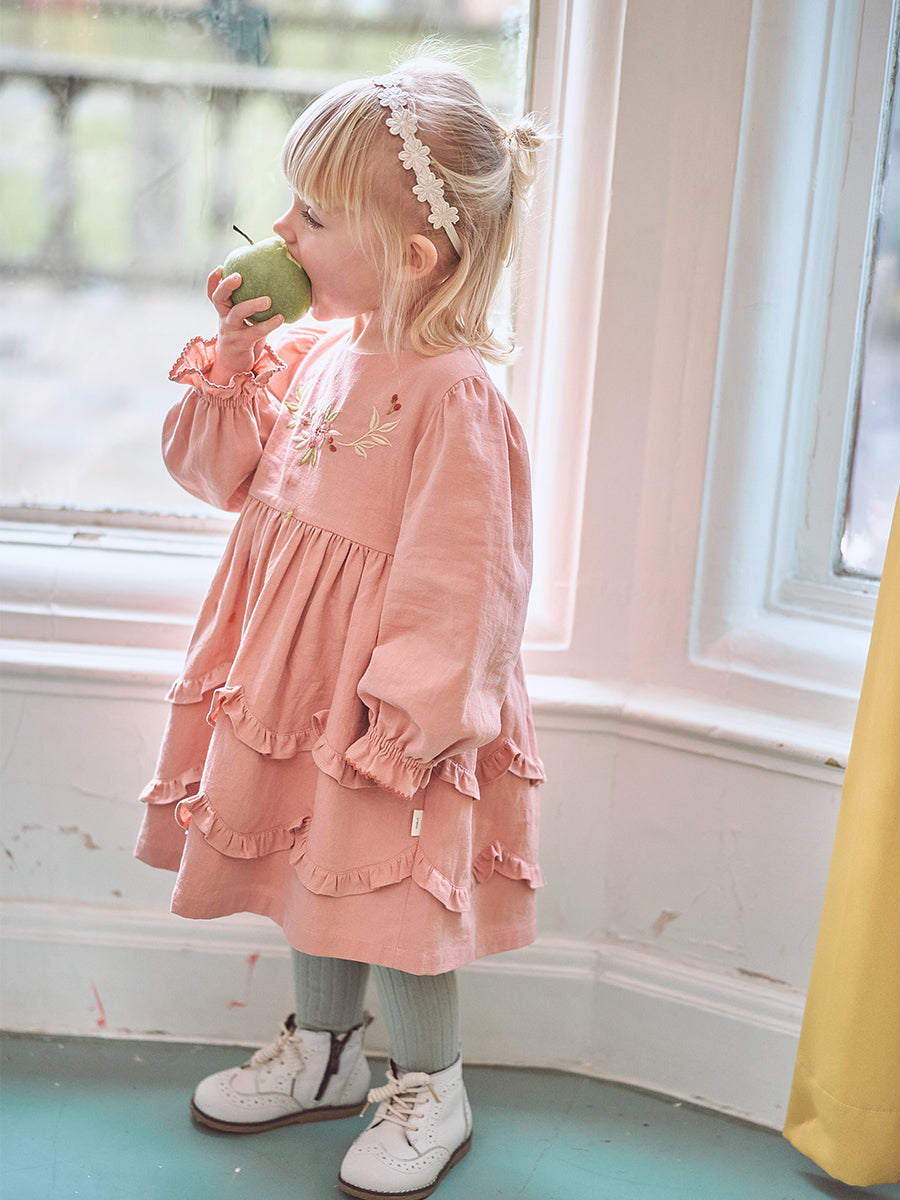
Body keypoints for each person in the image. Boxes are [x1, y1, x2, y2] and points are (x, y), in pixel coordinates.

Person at [135, 54, 545, 1200]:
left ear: (412, 257)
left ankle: (432, 1086)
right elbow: (216, 476)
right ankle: (323, 1053)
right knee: (310, 868)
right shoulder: (317, 355)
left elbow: (467, 579)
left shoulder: (454, 394)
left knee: (387, 891)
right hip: (291, 681)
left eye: (312, 217)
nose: (281, 230)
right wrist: (233, 362)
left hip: (383, 702)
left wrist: (407, 722)